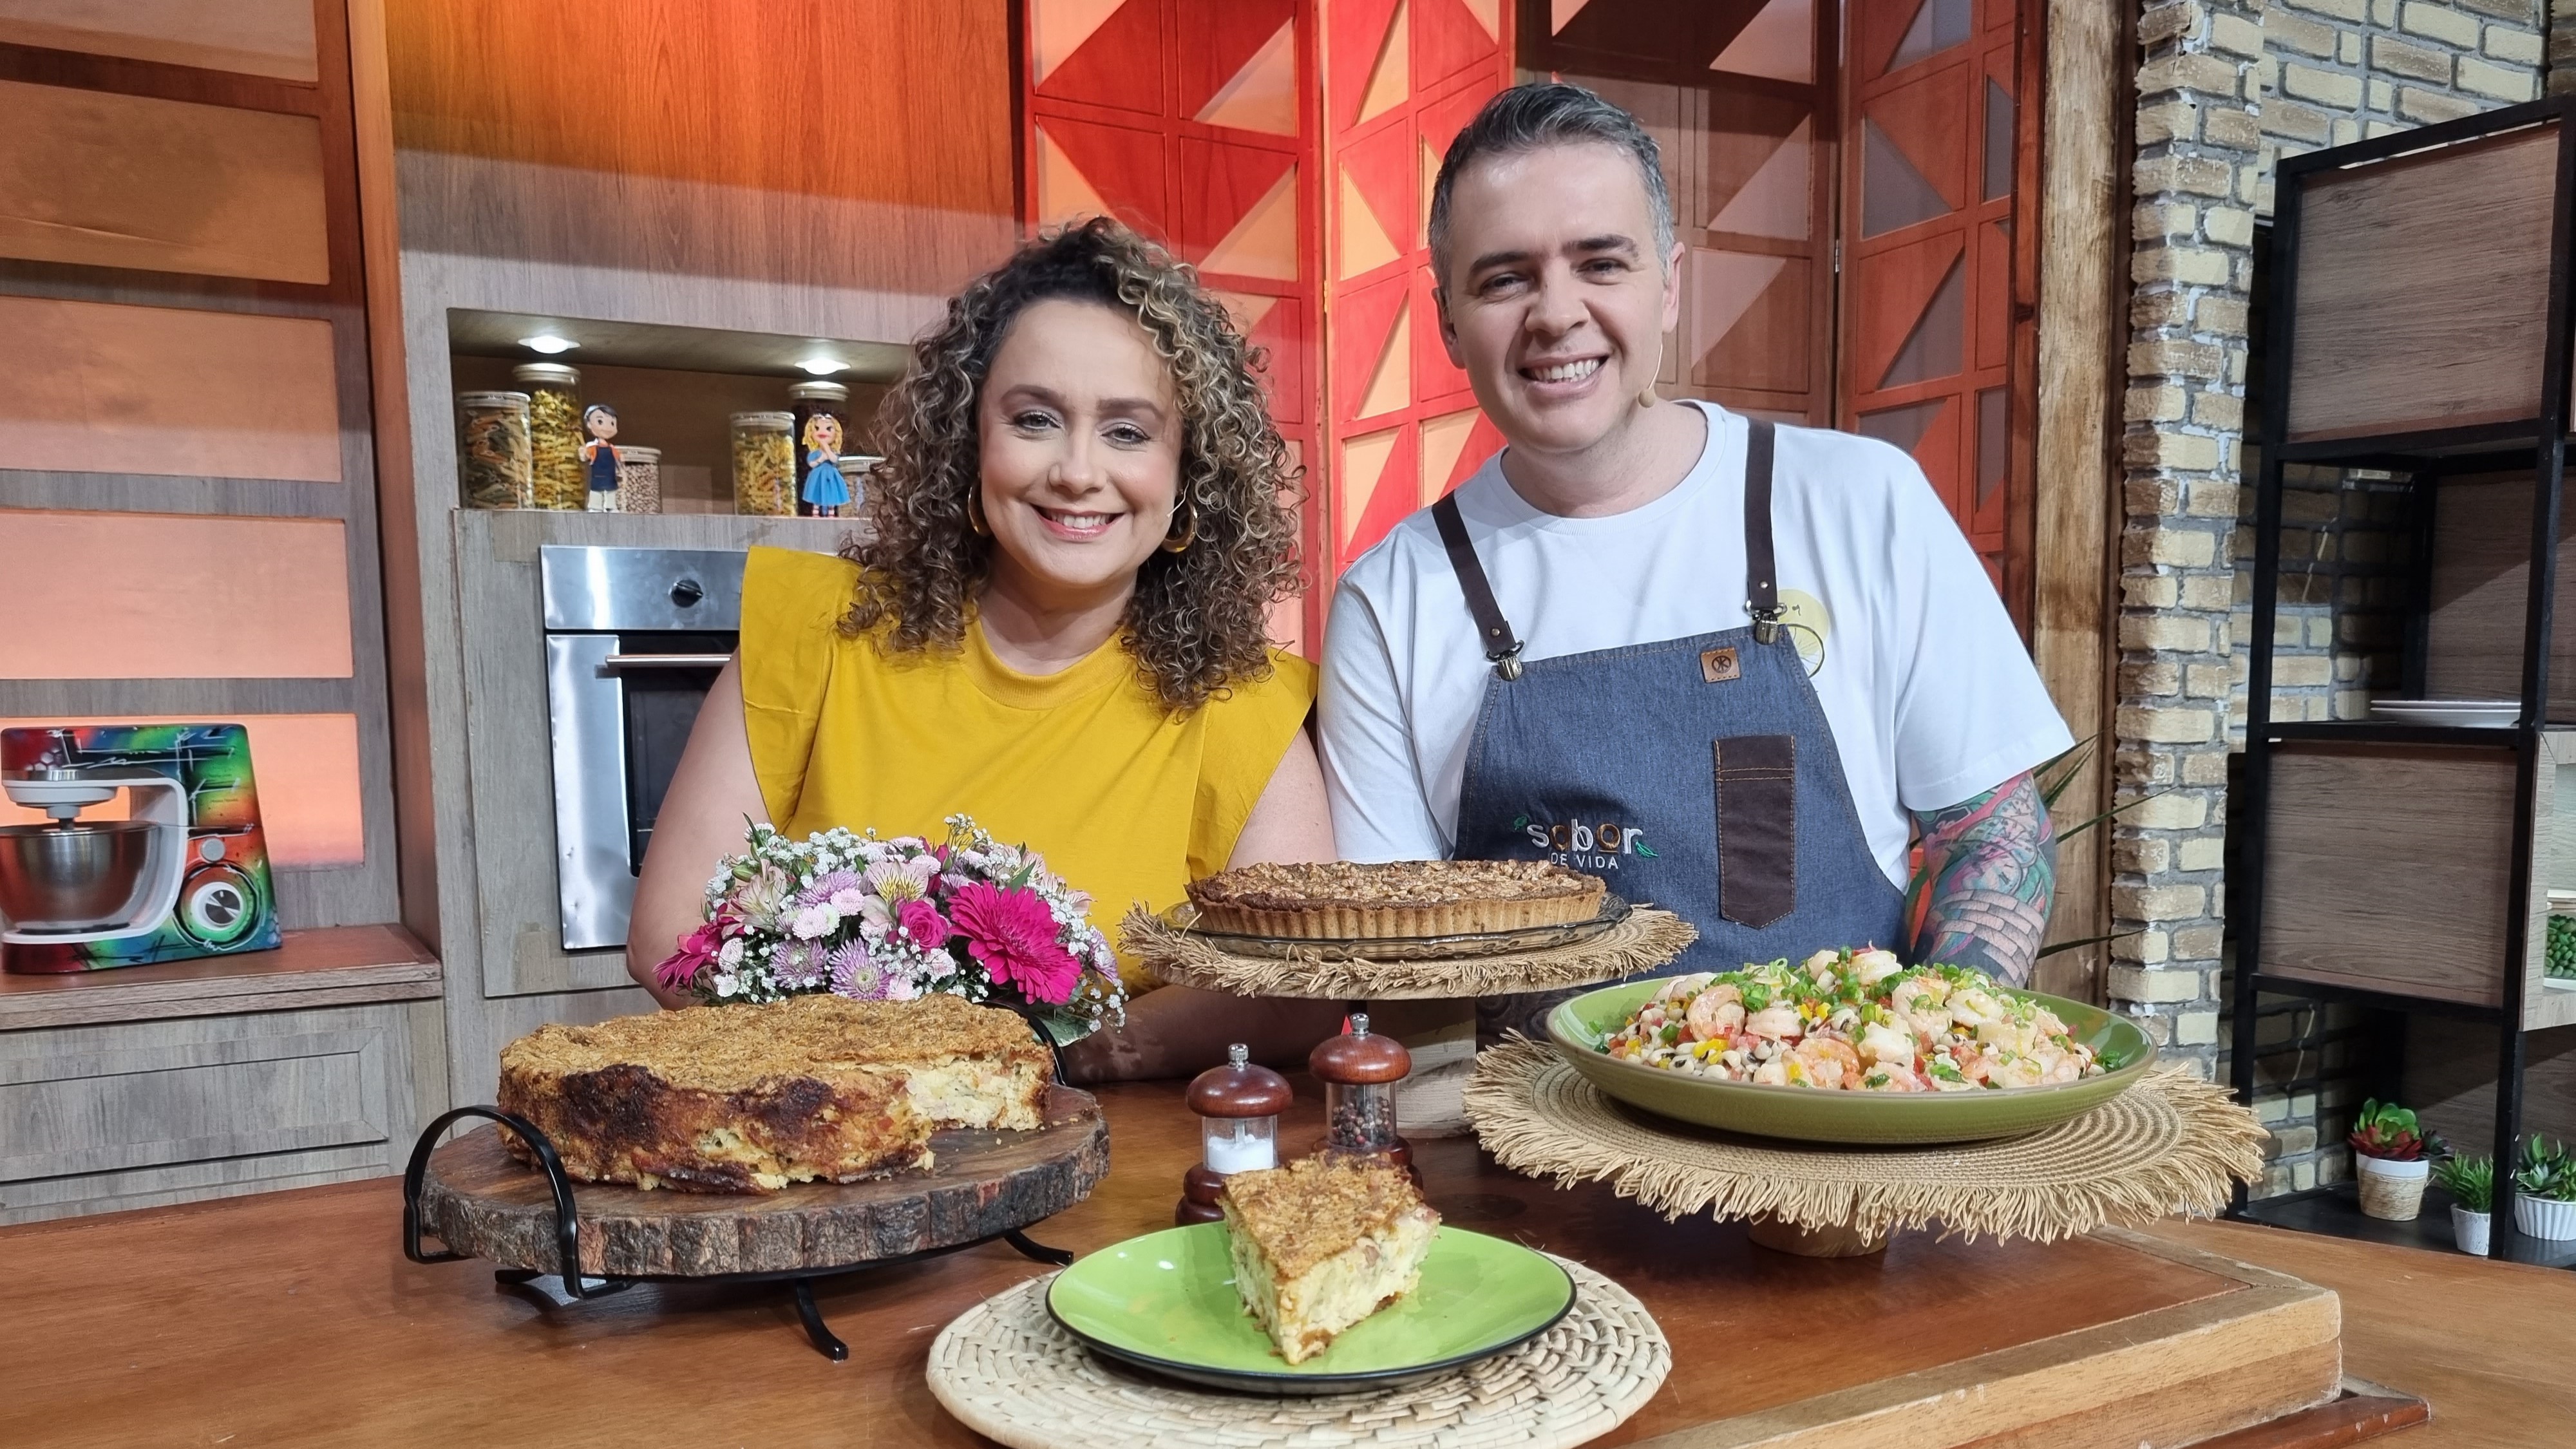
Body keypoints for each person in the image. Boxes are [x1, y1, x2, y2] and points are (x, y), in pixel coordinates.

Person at [1318, 84, 2072, 1039]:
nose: (1557, 315)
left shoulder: (1859, 501)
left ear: (1669, 283)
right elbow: (1401, 974)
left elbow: (1991, 833)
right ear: (1448, 321)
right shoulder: (1393, 597)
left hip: (1839, 1157)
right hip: (1535, 1164)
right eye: (1505, 278)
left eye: (1602, 261)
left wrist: (1937, 1058)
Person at [630, 218, 1345, 1080]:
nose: (1078, 471)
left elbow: (1298, 986)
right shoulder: (816, 632)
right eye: (1036, 419)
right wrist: (894, 1083)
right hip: (825, 1148)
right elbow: (672, 929)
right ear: (970, 443)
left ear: (1188, 472)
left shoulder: (1244, 702)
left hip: (1106, 1177)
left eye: (1127, 431)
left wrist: (1086, 1050)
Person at [580, 403, 621, 511]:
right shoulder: (592, 447)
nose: (607, 428)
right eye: (600, 422)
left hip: (610, 476)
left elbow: (618, 461)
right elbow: (585, 457)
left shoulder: (612, 448)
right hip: (597, 476)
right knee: (596, 493)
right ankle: (595, 507)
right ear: (589, 424)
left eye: (612, 423)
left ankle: (611, 507)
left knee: (611, 492)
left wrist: (623, 473)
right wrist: (583, 453)